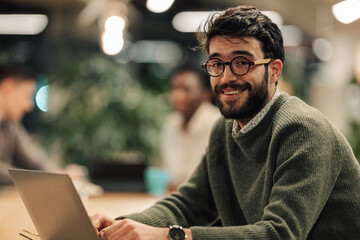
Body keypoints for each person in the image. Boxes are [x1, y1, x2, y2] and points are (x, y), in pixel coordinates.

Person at [91, 5, 360, 239]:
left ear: (274, 70)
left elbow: (279, 234)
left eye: (242, 62)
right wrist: (120, 225)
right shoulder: (225, 129)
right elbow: (188, 205)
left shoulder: (302, 130)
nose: (226, 77)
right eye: (216, 64)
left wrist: (169, 236)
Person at [161, 65, 219, 190]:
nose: (177, 96)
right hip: (180, 200)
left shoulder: (217, 123)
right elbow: (171, 177)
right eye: (174, 88)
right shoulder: (171, 124)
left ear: (206, 94)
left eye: (186, 90)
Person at [0, 63, 51, 185]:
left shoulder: (10, 126)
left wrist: (60, 175)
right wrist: (35, 179)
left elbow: (35, 159)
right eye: (26, 95)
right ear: (8, 88)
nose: (29, 106)